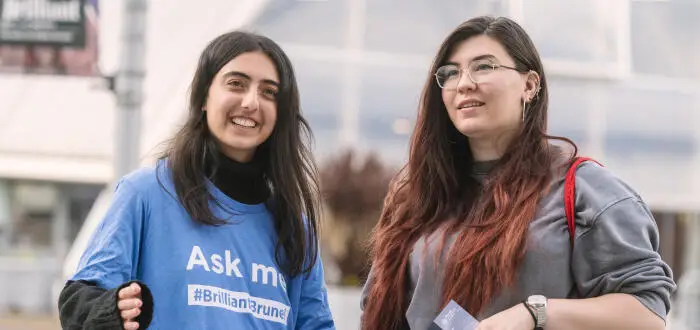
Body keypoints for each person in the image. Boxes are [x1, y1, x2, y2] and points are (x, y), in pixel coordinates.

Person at [360, 16, 675, 330]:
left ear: (530, 84)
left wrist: (535, 313)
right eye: (451, 72)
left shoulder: (586, 191)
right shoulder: (416, 194)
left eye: (484, 66)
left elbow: (647, 314)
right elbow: (378, 307)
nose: (464, 82)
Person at [58, 31, 335, 330]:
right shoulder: (146, 193)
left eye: (269, 92)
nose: (251, 102)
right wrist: (112, 310)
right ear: (204, 96)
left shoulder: (296, 229)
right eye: (236, 84)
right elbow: (77, 302)